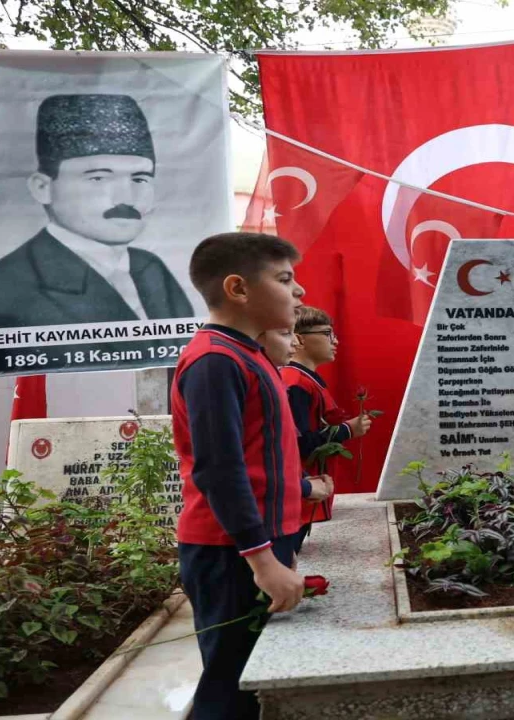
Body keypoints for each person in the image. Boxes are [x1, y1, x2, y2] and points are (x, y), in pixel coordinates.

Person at [172, 232, 327, 720]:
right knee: (230, 688)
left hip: (255, 542)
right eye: (284, 279)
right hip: (230, 551)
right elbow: (220, 469)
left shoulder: (250, 354)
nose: (298, 292)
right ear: (238, 289)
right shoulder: (216, 360)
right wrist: (262, 562)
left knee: (252, 682)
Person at [0, 94, 193, 330]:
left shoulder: (150, 269)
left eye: (139, 179)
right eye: (98, 178)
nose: (125, 197)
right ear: (43, 188)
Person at [281, 306, 371, 530]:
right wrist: (347, 430)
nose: (336, 341)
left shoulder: (306, 380)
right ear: (299, 339)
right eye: (327, 334)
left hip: (312, 500)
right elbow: (297, 444)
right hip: (301, 504)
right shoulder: (295, 382)